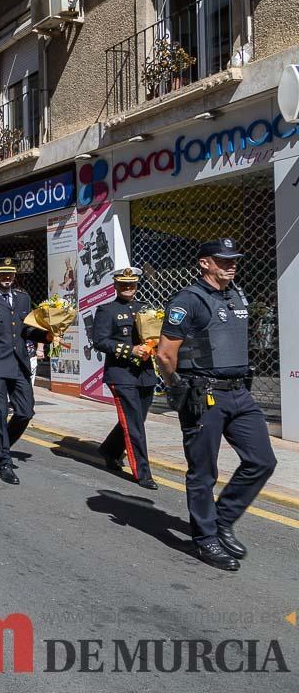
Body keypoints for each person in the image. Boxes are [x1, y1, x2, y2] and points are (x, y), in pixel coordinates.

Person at [156, 238, 277, 572]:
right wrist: (176, 387)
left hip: (240, 393)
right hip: (203, 394)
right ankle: (206, 538)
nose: (231, 265)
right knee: (203, 471)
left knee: (262, 461)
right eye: (223, 260)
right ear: (204, 263)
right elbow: (165, 353)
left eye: (234, 260)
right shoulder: (188, 299)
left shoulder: (237, 295)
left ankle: (221, 520)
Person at [0, 257, 54, 486]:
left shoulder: (23, 298)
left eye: (11, 273)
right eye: (2, 273)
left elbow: (26, 330)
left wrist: (46, 336)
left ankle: (0, 443)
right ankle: (3, 460)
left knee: (25, 411)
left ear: (15, 275)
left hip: (19, 363)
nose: (7, 277)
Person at [93, 267, 159, 491]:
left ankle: (110, 450)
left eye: (131, 284)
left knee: (137, 419)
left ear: (137, 285)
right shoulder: (107, 310)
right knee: (134, 424)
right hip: (121, 374)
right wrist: (130, 350)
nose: (128, 288)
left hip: (145, 373)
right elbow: (100, 341)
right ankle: (143, 472)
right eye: (123, 284)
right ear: (115, 286)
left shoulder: (146, 308)